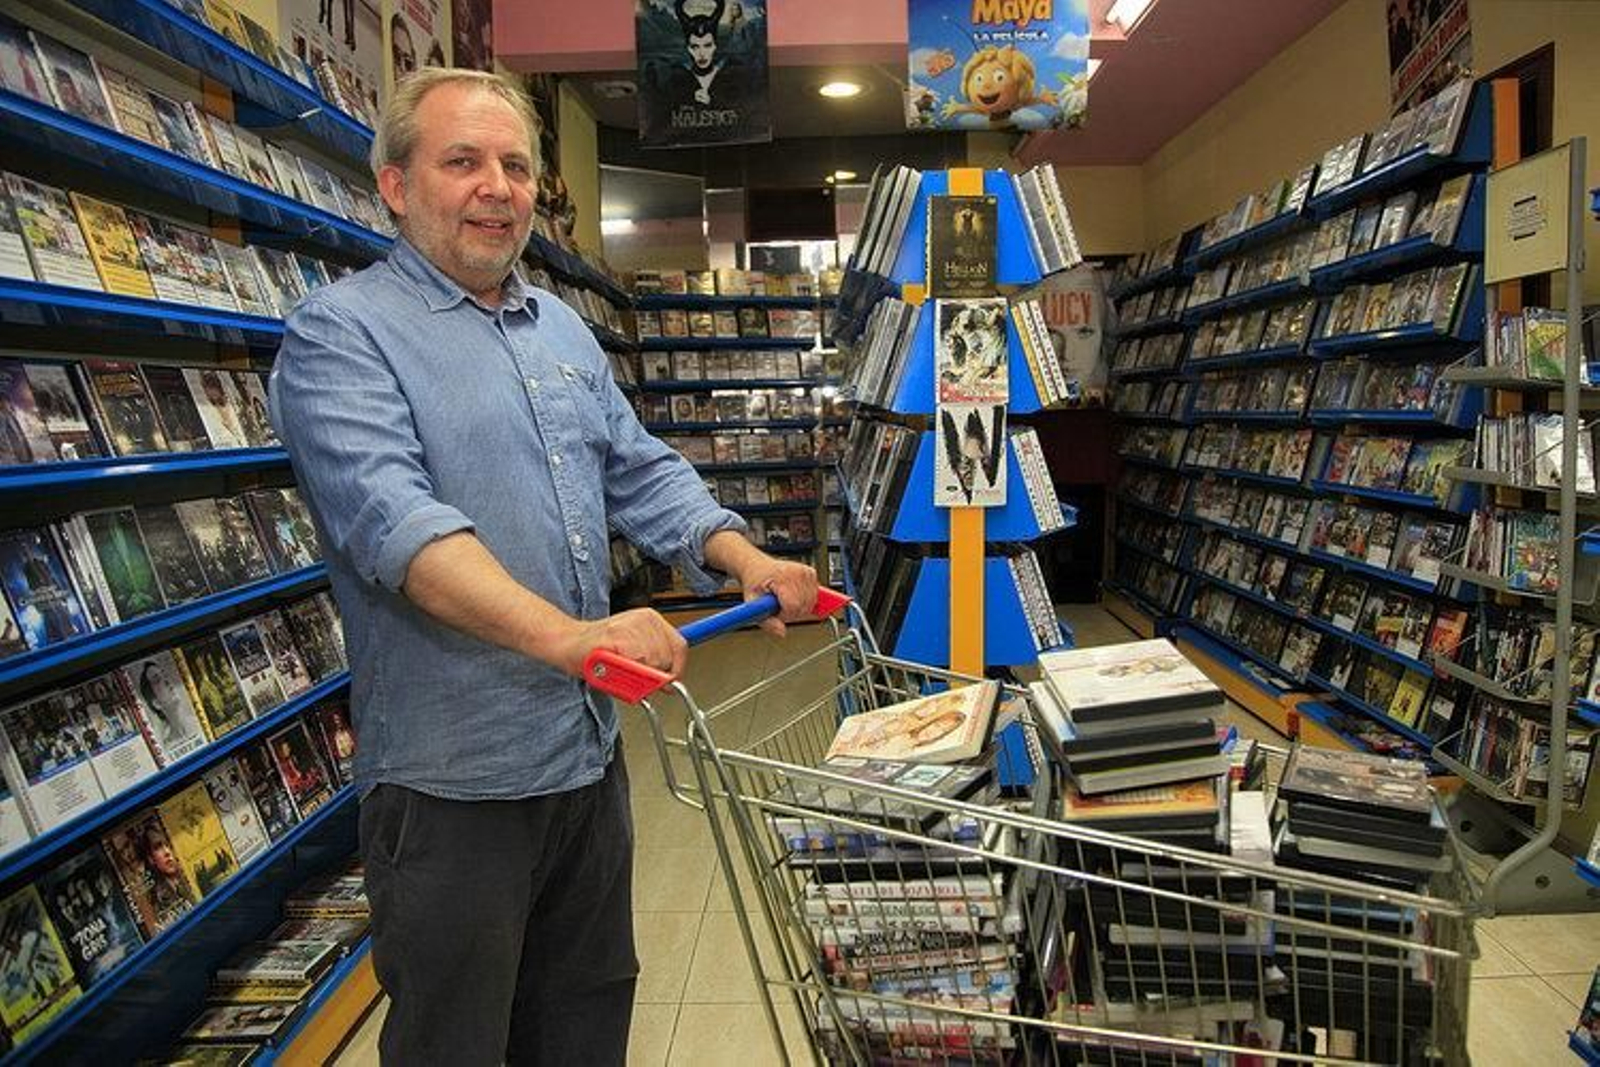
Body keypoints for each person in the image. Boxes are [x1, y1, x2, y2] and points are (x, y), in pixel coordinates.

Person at [268, 67, 818, 1065]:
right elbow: (403, 532)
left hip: (584, 761)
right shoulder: (339, 336)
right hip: (451, 787)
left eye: (515, 166)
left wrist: (742, 554)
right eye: (462, 161)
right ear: (394, 184)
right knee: (456, 1042)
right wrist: (575, 638)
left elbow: (637, 469)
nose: (498, 187)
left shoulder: (558, 326)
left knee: (583, 1021)